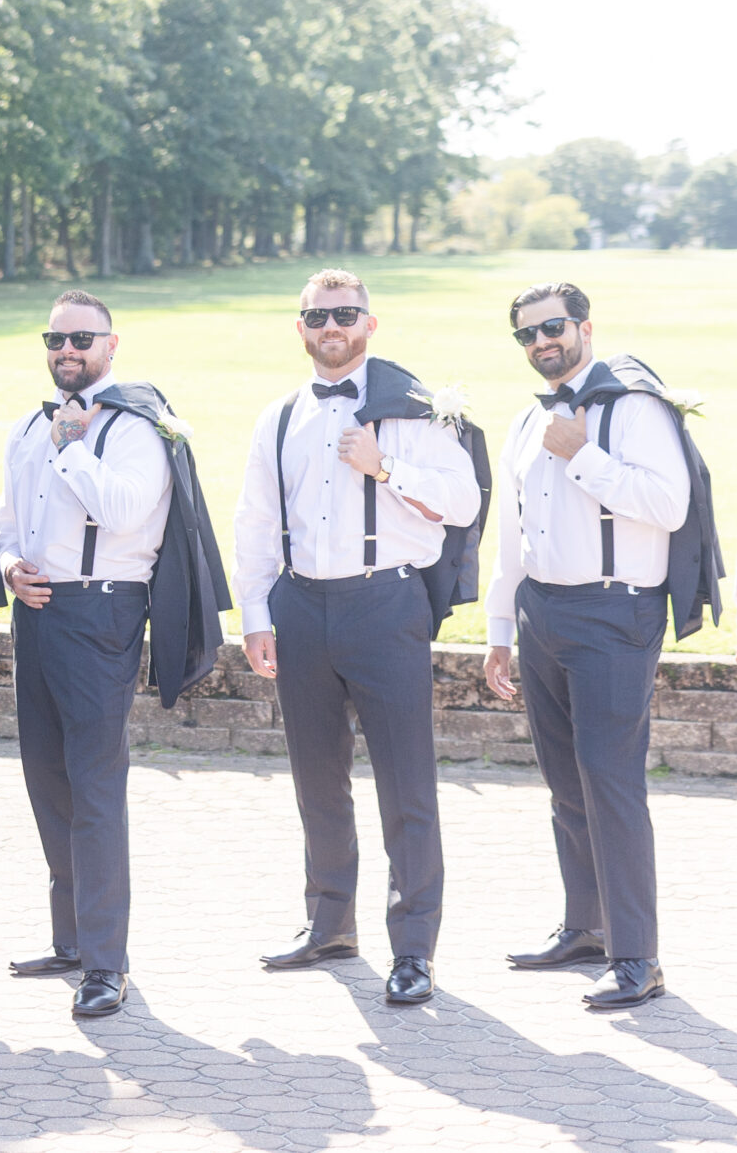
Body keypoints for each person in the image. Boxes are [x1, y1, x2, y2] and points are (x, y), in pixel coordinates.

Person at [233, 269, 483, 1008]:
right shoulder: (279, 417)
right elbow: (254, 518)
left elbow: (463, 501)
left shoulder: (415, 410)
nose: (330, 327)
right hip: (302, 608)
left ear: (370, 324)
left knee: (406, 782)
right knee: (317, 778)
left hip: (385, 605)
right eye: (317, 317)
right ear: (301, 328)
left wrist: (388, 467)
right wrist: (255, 612)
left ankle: (413, 950)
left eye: (344, 314)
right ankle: (329, 924)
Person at [484, 282, 720, 1012]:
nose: (541, 343)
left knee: (609, 781)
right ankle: (585, 928)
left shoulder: (635, 408)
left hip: (616, 614)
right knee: (564, 783)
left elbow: (669, 504)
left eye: (552, 328)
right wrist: (499, 631)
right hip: (543, 614)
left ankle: (637, 955)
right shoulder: (529, 418)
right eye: (526, 334)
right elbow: (513, 536)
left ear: (584, 326)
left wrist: (583, 454)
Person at [0, 291, 176, 1021]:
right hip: (35, 612)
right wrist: (10, 567)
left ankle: (106, 962)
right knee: (47, 781)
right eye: (55, 338)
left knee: (95, 789)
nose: (67, 350)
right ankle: (69, 941)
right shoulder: (26, 428)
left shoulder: (136, 427)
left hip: (103, 610)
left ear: (111, 343)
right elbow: (5, 521)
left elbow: (127, 512)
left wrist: (74, 446)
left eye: (81, 339)